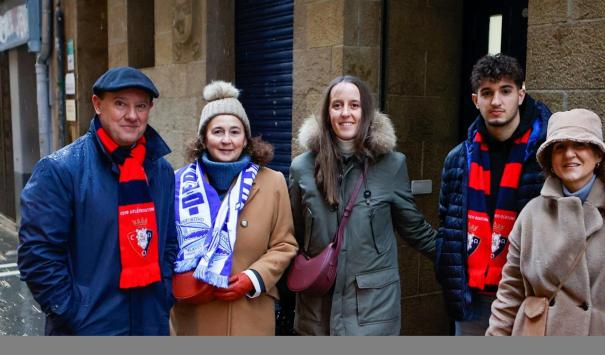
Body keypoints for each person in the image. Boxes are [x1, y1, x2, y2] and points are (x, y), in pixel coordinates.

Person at [18, 67, 177, 335]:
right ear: (97, 104)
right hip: (87, 328)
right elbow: (38, 256)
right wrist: (73, 312)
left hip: (150, 324)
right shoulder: (60, 170)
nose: (132, 116)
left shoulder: (161, 171)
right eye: (120, 104)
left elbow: (169, 241)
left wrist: (164, 291)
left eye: (141, 106)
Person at [486, 108, 605, 335]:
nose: (569, 154)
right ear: (550, 160)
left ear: (598, 155)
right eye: (559, 147)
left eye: (579, 145)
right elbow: (509, 294)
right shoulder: (531, 214)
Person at [289, 75, 437, 336]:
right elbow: (292, 236)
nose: (346, 113)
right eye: (337, 105)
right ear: (327, 112)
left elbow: (414, 228)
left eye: (354, 105)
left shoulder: (391, 164)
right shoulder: (302, 168)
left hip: (372, 313)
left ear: (365, 111)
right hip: (316, 312)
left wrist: (457, 258)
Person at [435, 53, 552, 335]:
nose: (496, 101)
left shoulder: (545, 156)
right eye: (487, 93)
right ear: (476, 100)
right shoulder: (458, 158)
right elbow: (446, 220)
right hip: (472, 298)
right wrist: (445, 262)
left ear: (521, 95)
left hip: (529, 297)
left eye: (505, 91)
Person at [170, 81, 297, 335]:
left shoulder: (273, 182)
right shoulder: (178, 183)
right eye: (217, 131)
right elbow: (167, 246)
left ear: (246, 139)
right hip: (194, 316)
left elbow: (285, 244)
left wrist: (253, 278)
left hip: (249, 315)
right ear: (204, 138)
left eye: (235, 132)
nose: (226, 140)